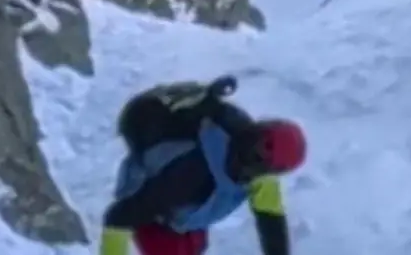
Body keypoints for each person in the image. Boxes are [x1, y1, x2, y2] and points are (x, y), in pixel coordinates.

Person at [98, 75, 307, 255]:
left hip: (187, 202)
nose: (257, 155)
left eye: (263, 161)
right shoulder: (191, 175)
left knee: (193, 242)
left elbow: (271, 223)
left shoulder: (259, 174)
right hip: (155, 195)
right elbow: (119, 217)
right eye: (260, 148)